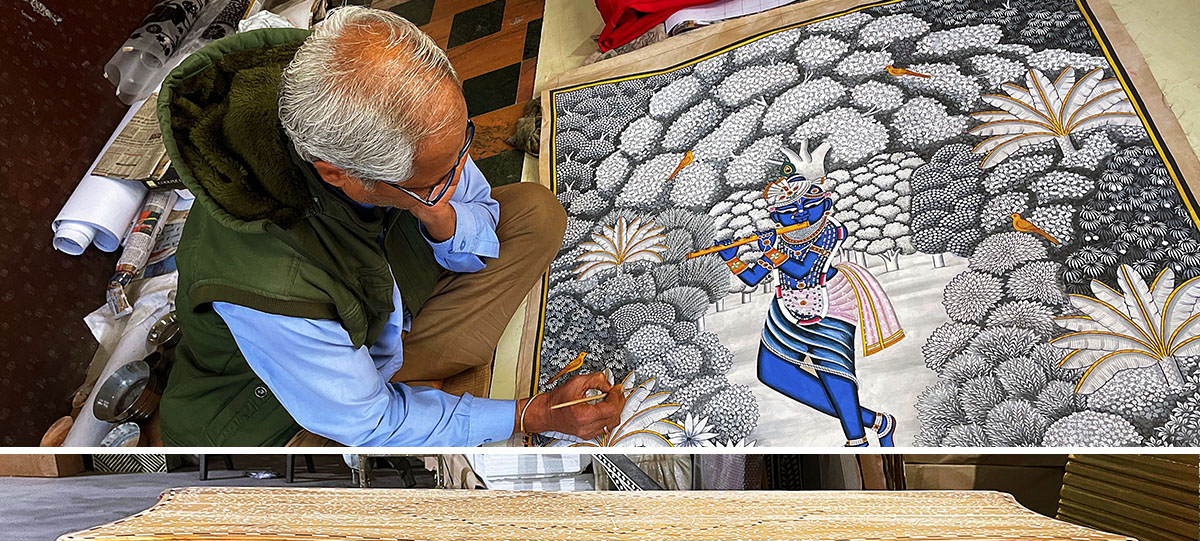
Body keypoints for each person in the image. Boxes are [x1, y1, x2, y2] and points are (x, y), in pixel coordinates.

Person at [156, 6, 622, 446]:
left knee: (534, 214)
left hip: (381, 300)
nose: (460, 177)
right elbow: (367, 419)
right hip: (278, 408)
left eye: (461, 151)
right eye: (435, 180)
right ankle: (414, 393)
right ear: (338, 174)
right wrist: (527, 414)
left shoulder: (344, 82)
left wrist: (440, 215)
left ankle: (418, 383)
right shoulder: (272, 285)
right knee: (367, 453)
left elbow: (476, 209)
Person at [717, 142, 903, 447]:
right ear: (777, 216)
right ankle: (876, 422)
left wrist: (771, 251)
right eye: (790, 211)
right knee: (773, 372)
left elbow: (803, 269)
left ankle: (858, 441)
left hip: (828, 302)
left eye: (809, 204)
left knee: (833, 374)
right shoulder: (780, 236)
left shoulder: (829, 231)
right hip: (785, 307)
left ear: (826, 205)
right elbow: (752, 278)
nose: (800, 212)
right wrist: (732, 257)